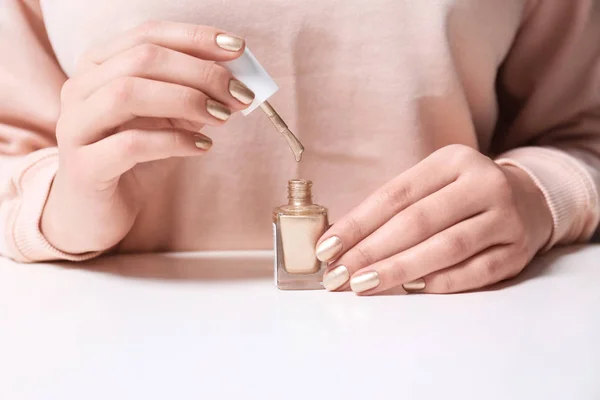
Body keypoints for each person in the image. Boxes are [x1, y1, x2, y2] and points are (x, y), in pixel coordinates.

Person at [1, 0, 598, 295]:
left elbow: (584, 136)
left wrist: (539, 196)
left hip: (453, 334)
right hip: (112, 344)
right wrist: (61, 205)